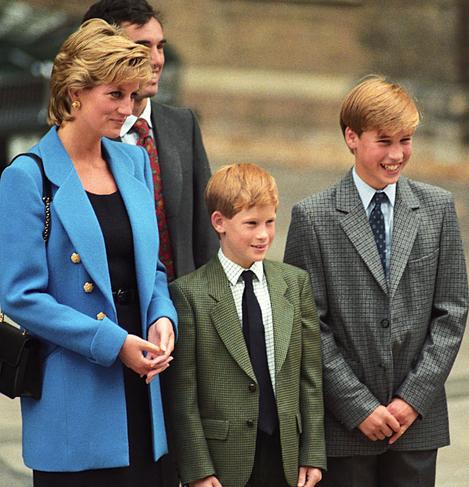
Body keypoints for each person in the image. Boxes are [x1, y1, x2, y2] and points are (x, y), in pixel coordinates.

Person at [0, 19, 177, 486]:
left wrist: (162, 318)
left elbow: (151, 269)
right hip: (74, 397)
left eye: (134, 96)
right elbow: (19, 295)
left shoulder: (133, 160)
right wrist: (113, 344)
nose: (128, 109)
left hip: (143, 389)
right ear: (76, 92)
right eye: (115, 95)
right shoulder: (27, 176)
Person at [284, 76, 469, 487]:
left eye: (405, 140)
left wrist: (412, 400)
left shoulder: (436, 208)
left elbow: (451, 312)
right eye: (384, 141)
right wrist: (358, 407)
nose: (397, 154)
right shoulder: (313, 218)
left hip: (416, 425)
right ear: (351, 137)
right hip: (344, 428)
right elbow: (307, 324)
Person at [163, 163, 326, 487]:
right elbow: (184, 394)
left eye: (270, 221)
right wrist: (198, 469)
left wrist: (312, 453)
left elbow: (310, 379)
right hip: (224, 462)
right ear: (219, 222)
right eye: (251, 223)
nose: (263, 234)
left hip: (285, 454)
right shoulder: (189, 293)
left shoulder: (294, 284)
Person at [83, 0, 217, 280]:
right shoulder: (87, 136)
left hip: (182, 308)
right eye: (143, 47)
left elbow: (206, 235)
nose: (157, 60)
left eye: (160, 46)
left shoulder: (183, 124)